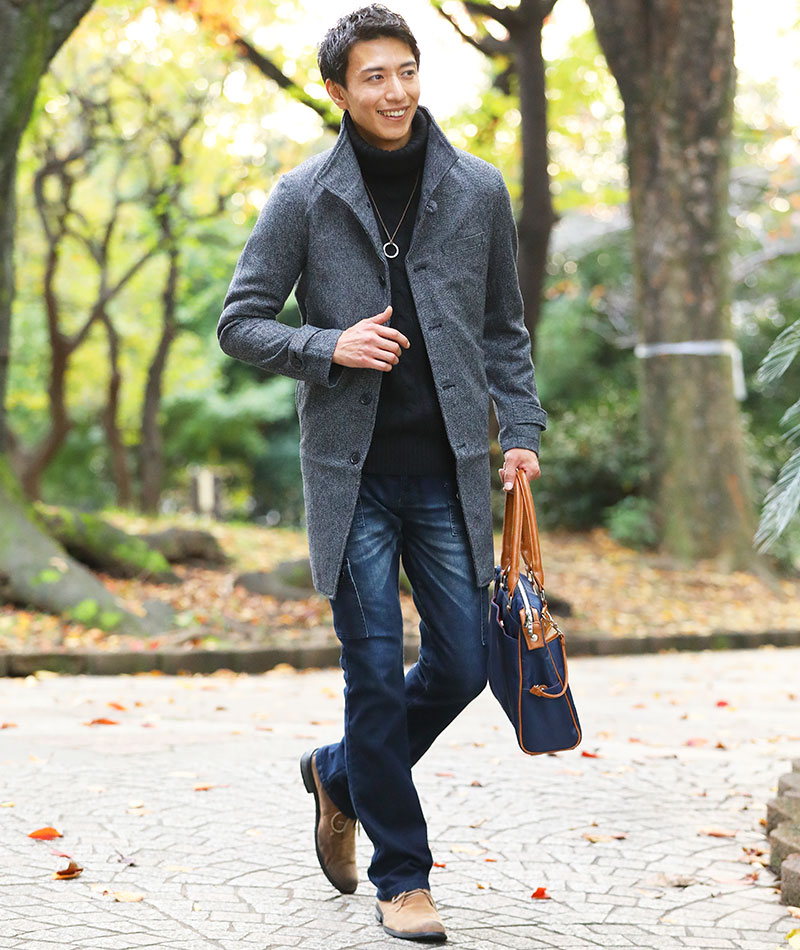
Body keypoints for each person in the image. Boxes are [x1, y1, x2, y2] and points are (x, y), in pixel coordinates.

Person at [217, 4, 546, 941]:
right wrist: (329, 344)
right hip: (350, 476)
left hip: (449, 472)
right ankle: (404, 880)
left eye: (406, 71)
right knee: (370, 673)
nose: (395, 91)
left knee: (466, 663)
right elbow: (240, 322)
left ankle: (339, 772)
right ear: (338, 90)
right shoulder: (303, 197)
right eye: (374, 77)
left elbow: (503, 329)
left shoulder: (476, 190)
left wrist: (520, 429)